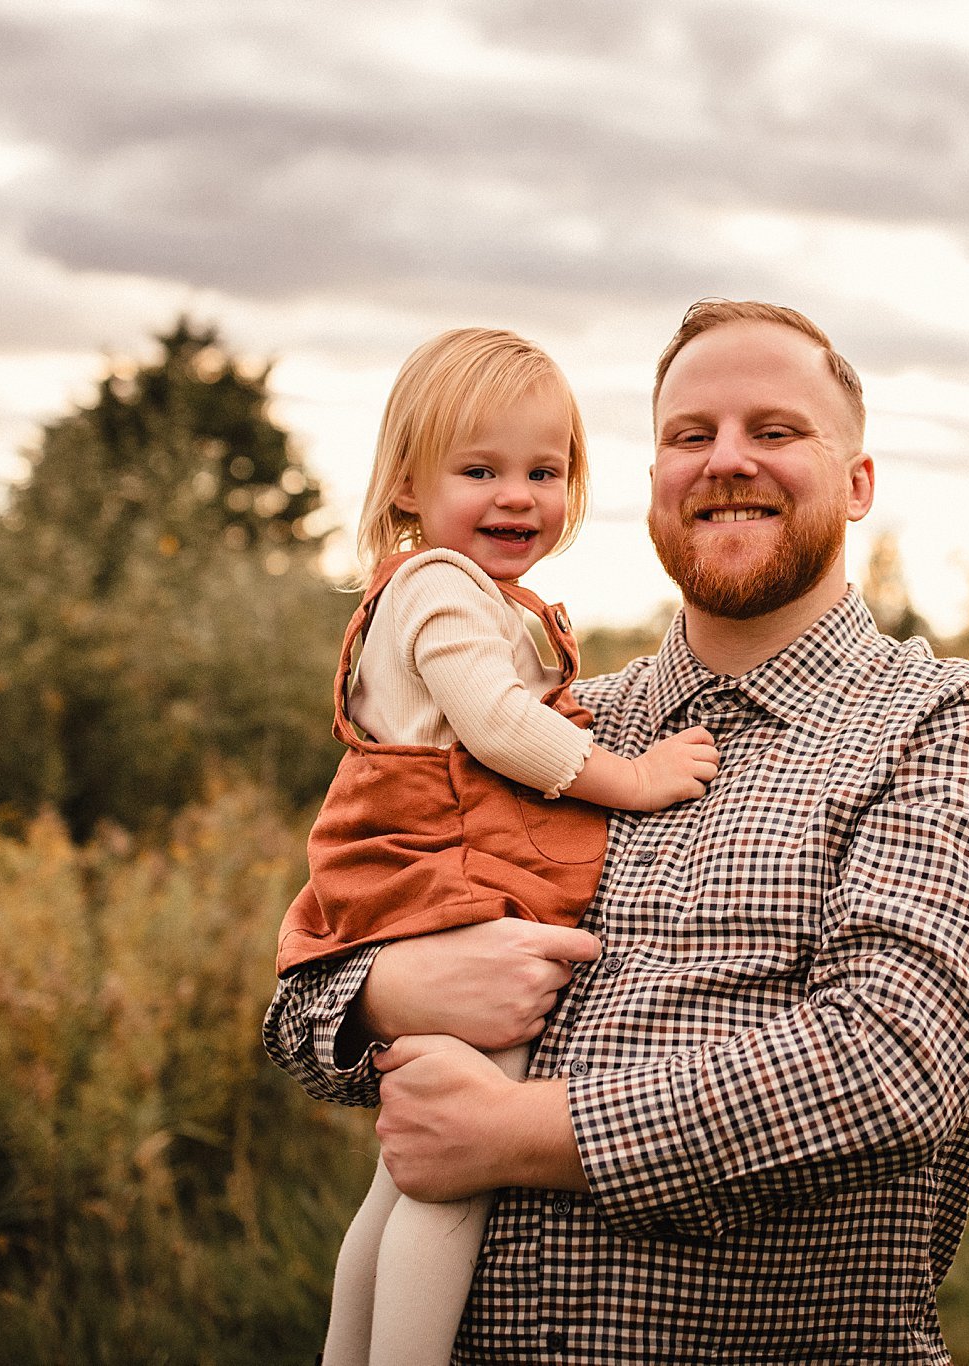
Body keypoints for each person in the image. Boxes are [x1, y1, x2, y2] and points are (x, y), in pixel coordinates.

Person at [266, 301, 969, 1364]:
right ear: (653, 478)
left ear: (856, 483)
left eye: (775, 431)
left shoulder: (947, 726)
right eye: (688, 435)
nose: (725, 461)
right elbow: (302, 1003)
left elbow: (891, 1065)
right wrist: (389, 991)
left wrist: (514, 1135)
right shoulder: (555, 728)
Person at [277, 327, 721, 1366]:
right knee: (457, 1160)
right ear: (404, 486)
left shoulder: (449, 592)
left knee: (404, 1165)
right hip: (451, 881)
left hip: (423, 880)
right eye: (479, 470)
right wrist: (635, 777)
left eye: (544, 469)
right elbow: (498, 726)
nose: (516, 495)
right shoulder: (437, 585)